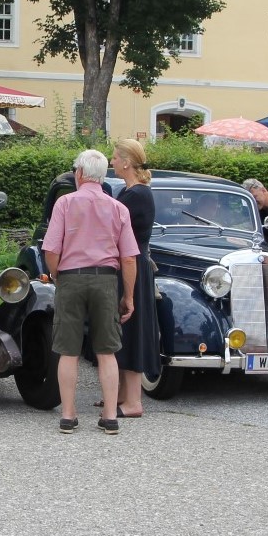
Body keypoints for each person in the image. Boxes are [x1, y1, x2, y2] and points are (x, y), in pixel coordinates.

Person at [41, 149, 138, 435]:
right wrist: (128, 296)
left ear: (80, 173)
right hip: (105, 280)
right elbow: (129, 258)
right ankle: (110, 416)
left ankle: (69, 415)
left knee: (68, 351)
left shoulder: (65, 203)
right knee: (107, 350)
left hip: (71, 278)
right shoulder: (119, 208)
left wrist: (59, 275)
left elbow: (51, 249)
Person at [109, 139, 159, 419]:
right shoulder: (131, 191)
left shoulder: (136, 195)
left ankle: (134, 401)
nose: (112, 161)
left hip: (133, 265)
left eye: (115, 157)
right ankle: (120, 395)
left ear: (127, 162)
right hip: (130, 263)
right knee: (123, 328)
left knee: (132, 328)